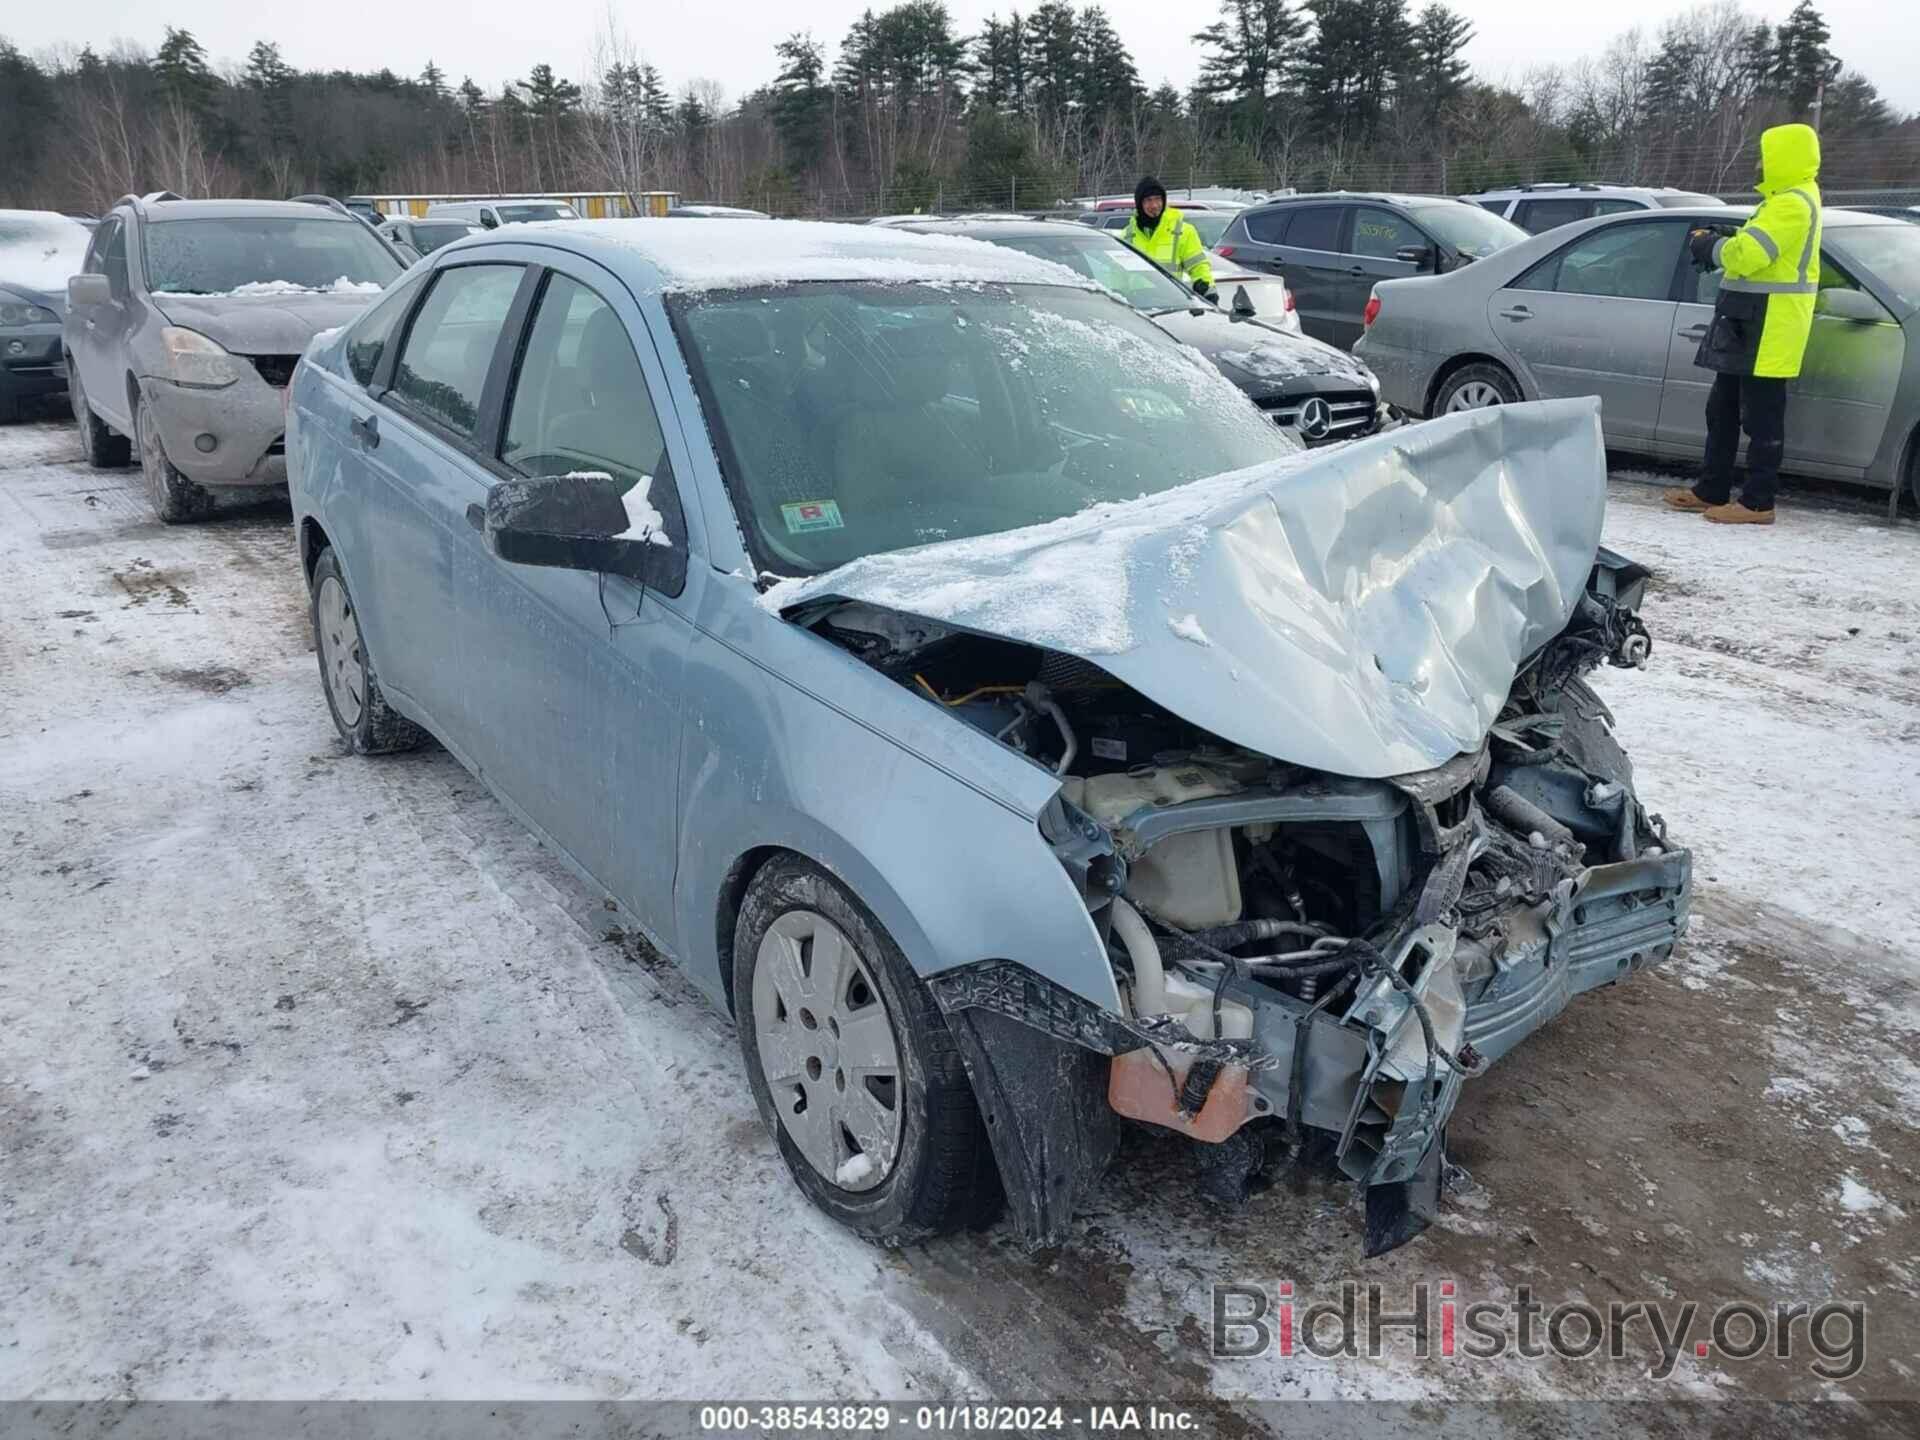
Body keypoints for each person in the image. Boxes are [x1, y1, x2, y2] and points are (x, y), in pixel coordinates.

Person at [1664, 123, 1823, 526]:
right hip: (1748, 320)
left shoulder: (1792, 204)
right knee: (1722, 409)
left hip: (1770, 327)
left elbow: (1750, 255)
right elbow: (1760, 248)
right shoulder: (1780, 202)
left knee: (1761, 418)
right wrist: (1728, 236)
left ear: (1785, 158)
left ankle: (1757, 502)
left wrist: (1710, 246)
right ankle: (1711, 489)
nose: (1759, 163)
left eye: (1766, 156)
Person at [1120, 177, 1215, 301]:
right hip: (1138, 307)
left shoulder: (1183, 231)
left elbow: (1199, 266)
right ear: (1139, 204)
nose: (1154, 205)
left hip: (1172, 304)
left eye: (1158, 199)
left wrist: (1208, 291)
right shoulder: (1127, 235)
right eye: (1148, 200)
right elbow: (1118, 275)